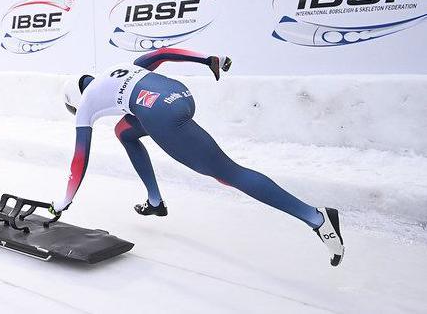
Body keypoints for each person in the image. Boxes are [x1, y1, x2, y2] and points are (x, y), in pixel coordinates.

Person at [51, 48, 345, 266]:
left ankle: (316, 218)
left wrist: (65, 200)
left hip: (161, 115)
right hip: (180, 95)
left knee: (229, 174)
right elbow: (162, 54)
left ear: (74, 100)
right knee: (125, 131)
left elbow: (80, 158)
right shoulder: (116, 69)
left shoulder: (88, 102)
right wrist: (207, 60)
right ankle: (155, 201)